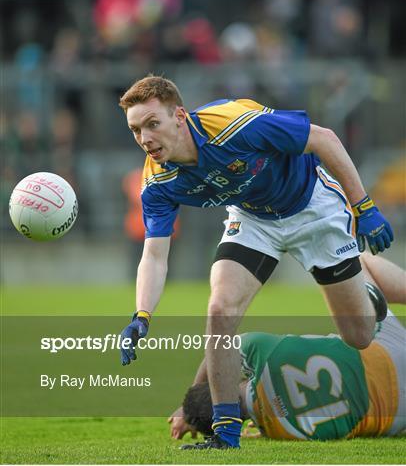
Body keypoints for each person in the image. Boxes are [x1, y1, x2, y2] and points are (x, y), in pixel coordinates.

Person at [118, 75, 393, 449]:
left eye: (153, 124)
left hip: (312, 206)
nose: (145, 138)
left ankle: (369, 288)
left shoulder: (231, 124)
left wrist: (364, 206)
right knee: (220, 308)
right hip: (253, 219)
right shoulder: (157, 182)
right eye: (136, 130)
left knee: (359, 337)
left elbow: (324, 138)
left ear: (179, 116)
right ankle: (226, 432)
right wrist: (141, 315)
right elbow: (154, 255)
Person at [174, 253, 406, 445]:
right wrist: (192, 397)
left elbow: (277, 406)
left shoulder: (280, 432)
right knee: (356, 260)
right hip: (389, 354)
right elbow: (219, 348)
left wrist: (196, 412)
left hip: (398, 415)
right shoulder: (261, 352)